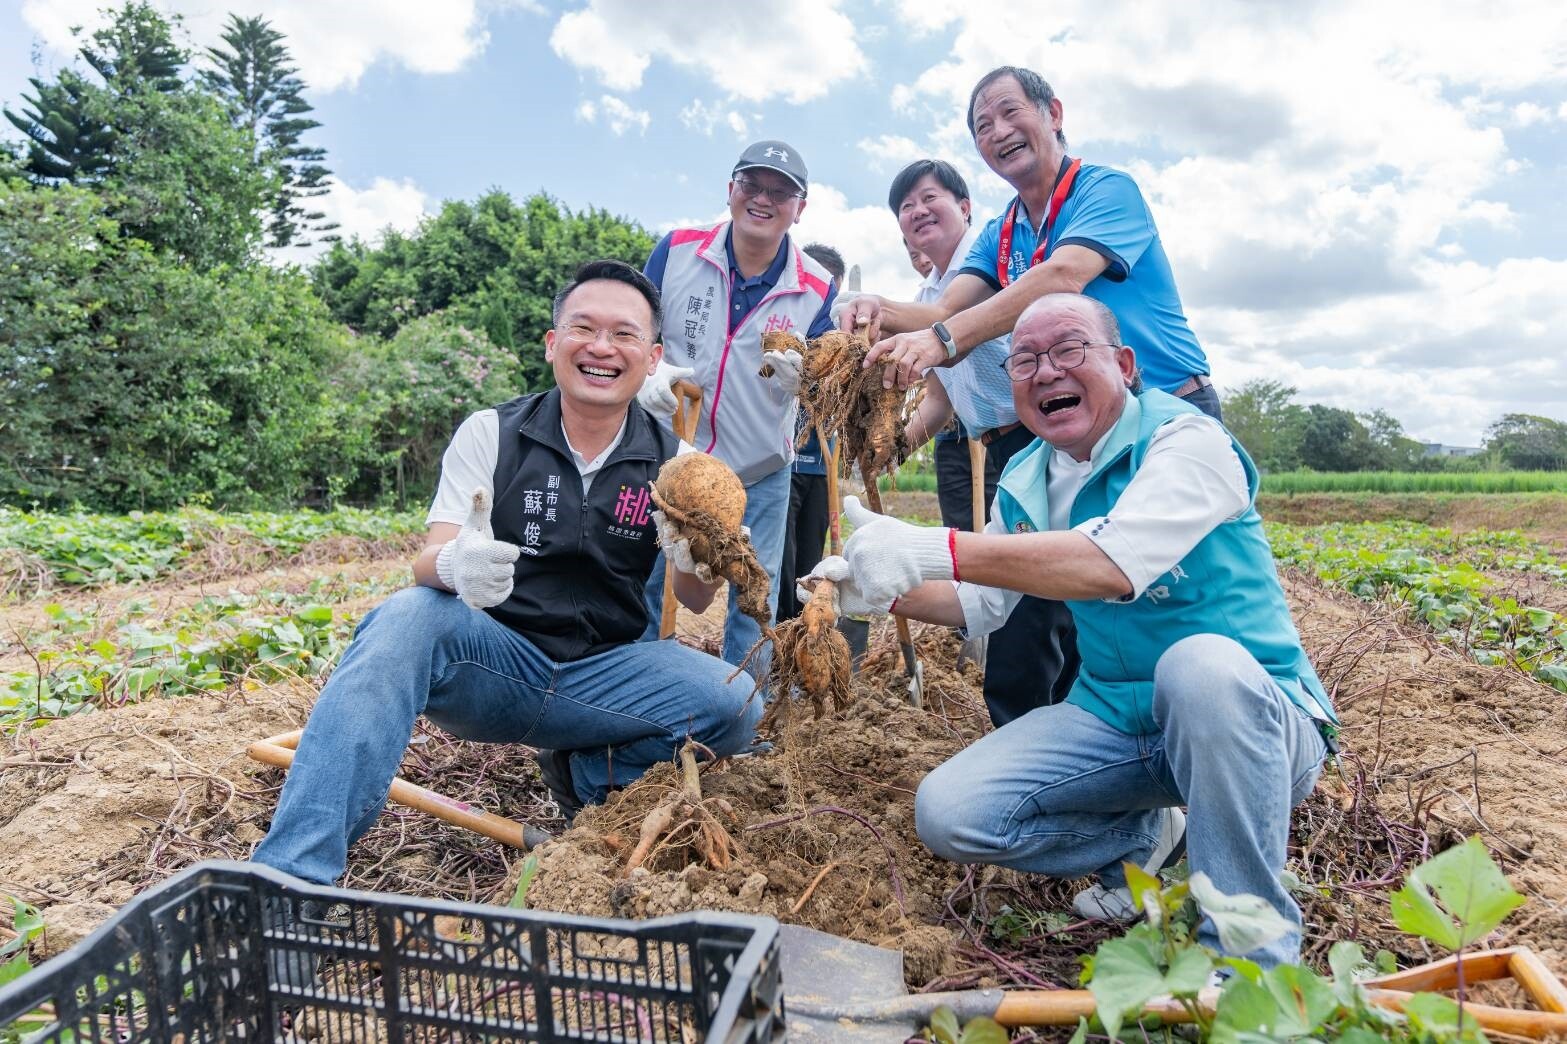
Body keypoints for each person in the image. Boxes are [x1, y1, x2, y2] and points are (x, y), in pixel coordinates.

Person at [811, 293, 1336, 967]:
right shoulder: (1027, 475)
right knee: (950, 811)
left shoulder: (1185, 441)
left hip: (1253, 722)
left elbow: (1109, 563)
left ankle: (1249, 957)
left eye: (1067, 350)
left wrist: (934, 546)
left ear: (1122, 365)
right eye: (1025, 360)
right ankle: (1143, 838)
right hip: (1117, 721)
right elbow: (979, 600)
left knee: (1198, 665)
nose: (1044, 371)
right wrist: (874, 592)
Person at [252, 261, 762, 890]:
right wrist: (454, 564)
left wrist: (698, 559)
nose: (601, 348)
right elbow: (427, 558)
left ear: (652, 357)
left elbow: (693, 596)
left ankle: (589, 775)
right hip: (494, 666)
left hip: (603, 676)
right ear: (553, 344)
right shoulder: (492, 433)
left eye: (624, 335)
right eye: (583, 328)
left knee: (737, 703)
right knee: (405, 617)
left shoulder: (679, 464)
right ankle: (289, 880)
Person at [839, 66, 1221, 423]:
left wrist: (944, 340)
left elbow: (1063, 277)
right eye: (983, 127)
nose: (999, 132)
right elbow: (944, 308)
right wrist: (880, 309)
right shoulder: (997, 234)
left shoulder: (1105, 190)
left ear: (1053, 115)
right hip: (1090, 423)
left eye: (1010, 112)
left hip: (1170, 402)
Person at [885, 158, 1077, 722]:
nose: (918, 212)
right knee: (1010, 581)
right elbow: (942, 397)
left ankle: (1035, 721)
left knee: (1034, 593)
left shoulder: (1003, 270)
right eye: (905, 207)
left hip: (1036, 439)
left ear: (965, 209)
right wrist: (893, 448)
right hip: (993, 446)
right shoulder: (926, 296)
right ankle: (1034, 718)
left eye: (929, 198)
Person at [637, 140, 837, 669]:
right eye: (752, 185)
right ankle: (633, 689)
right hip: (672, 457)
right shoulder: (677, 250)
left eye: (781, 192)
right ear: (730, 190)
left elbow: (822, 384)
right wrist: (649, 375)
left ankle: (746, 712)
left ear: (800, 207)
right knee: (646, 577)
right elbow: (636, 331)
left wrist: (805, 382)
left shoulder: (818, 288)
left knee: (755, 595)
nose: (763, 199)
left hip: (761, 466)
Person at [777, 242, 844, 621]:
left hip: (821, 467)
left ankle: (805, 633)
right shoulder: (787, 330)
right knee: (779, 561)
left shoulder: (840, 340)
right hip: (783, 465)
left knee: (808, 563)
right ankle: (776, 634)